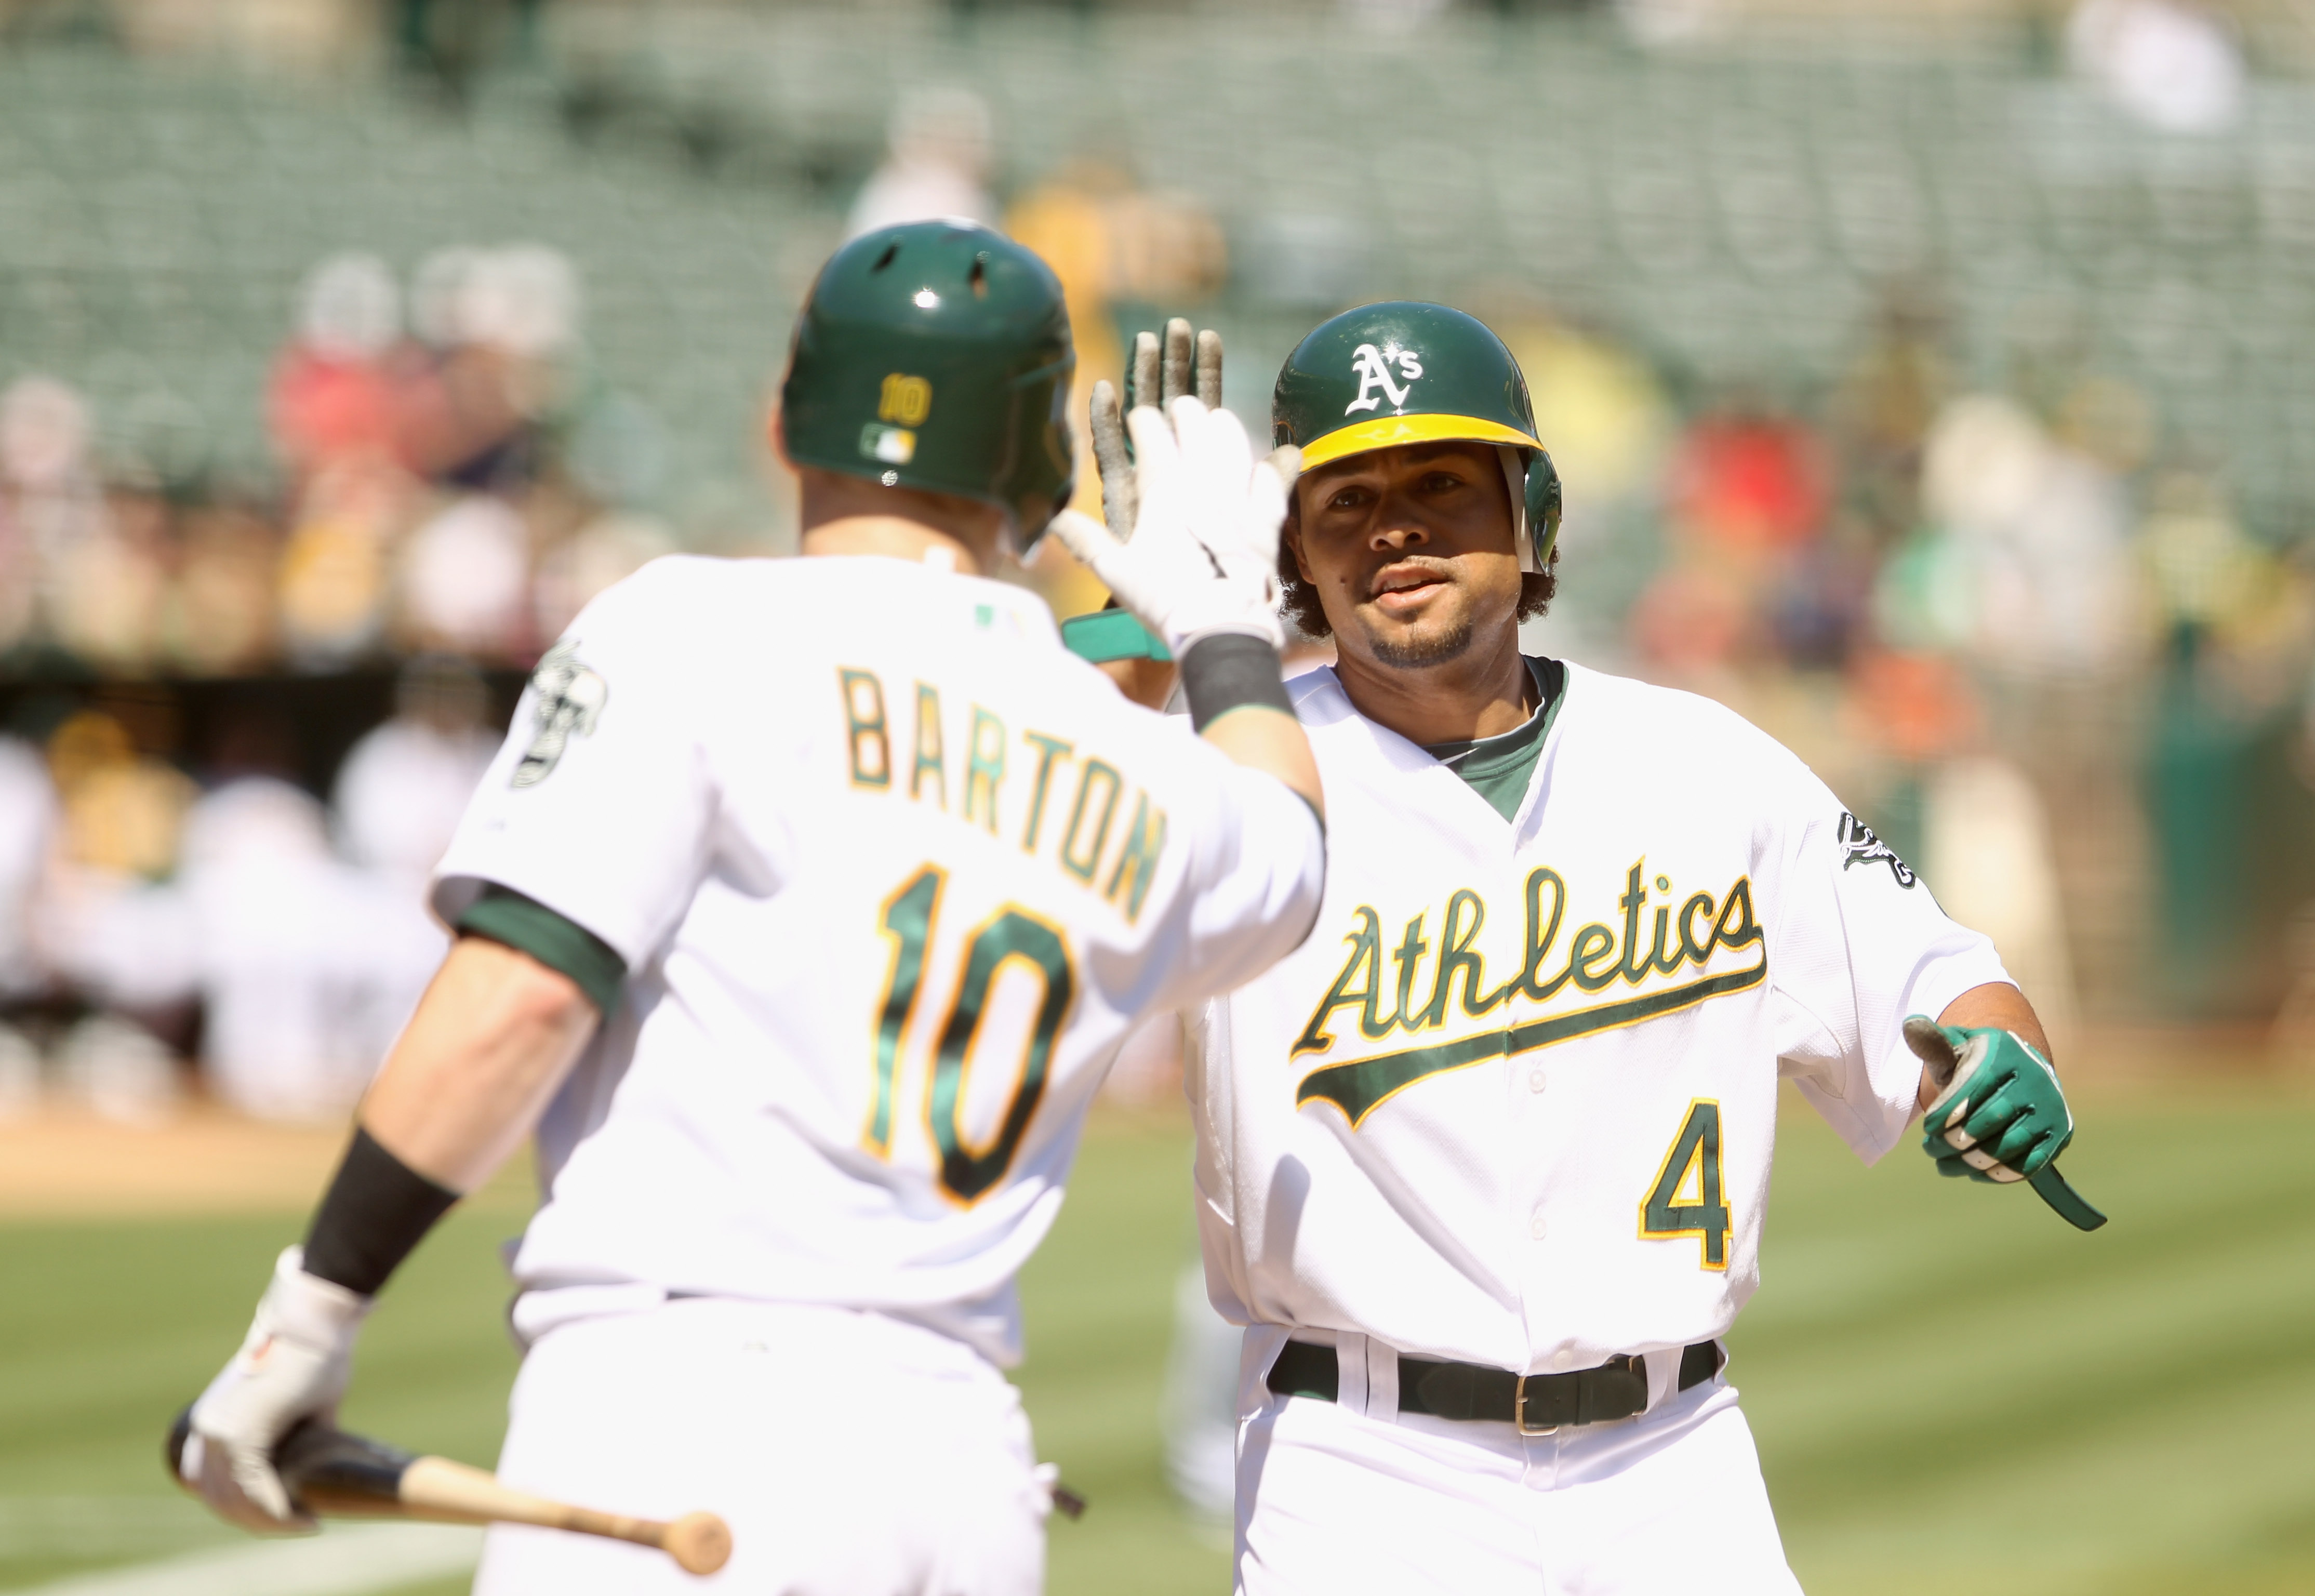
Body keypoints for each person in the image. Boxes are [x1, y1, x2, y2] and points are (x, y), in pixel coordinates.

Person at [175, 219, 1326, 1596]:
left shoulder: (684, 630)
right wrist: (1221, 639)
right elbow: (1288, 848)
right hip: (961, 1465)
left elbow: (524, 996)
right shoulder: (1134, 747)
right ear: (1032, 459)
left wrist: (309, 1317)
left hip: (686, 1417)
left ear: (791, 416)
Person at [1060, 302, 2098, 1596]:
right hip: (1361, 1479)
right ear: (1290, 557)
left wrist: (2003, 1059)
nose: (1394, 527)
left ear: (1531, 516)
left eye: (1441, 483)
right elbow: (1023, 835)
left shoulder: (1701, 763)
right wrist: (1134, 616)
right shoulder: (1233, 761)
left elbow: (1940, 982)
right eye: (1344, 499)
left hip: (1674, 1472)